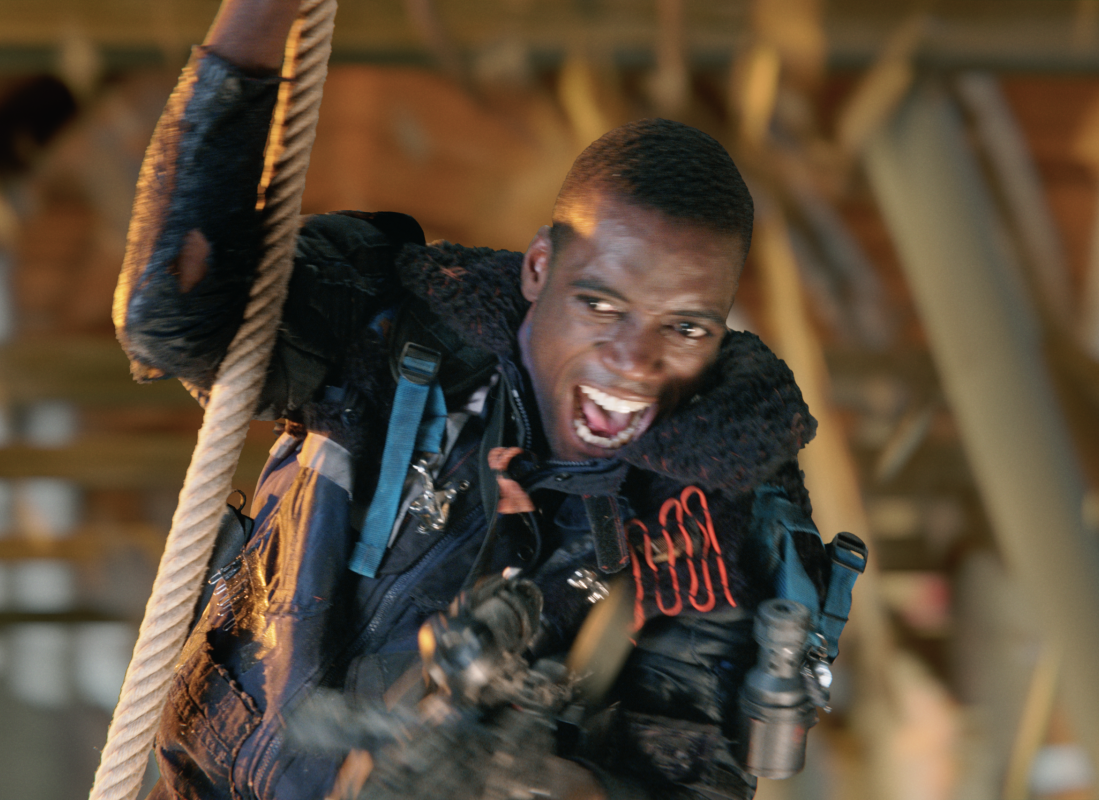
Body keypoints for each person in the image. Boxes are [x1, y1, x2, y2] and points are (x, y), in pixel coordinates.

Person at [116, 1, 859, 797]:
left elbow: (692, 774)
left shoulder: (711, 504)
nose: (634, 363)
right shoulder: (394, 325)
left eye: (684, 327)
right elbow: (175, 313)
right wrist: (260, 15)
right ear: (539, 270)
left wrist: (530, 779)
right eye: (600, 305)